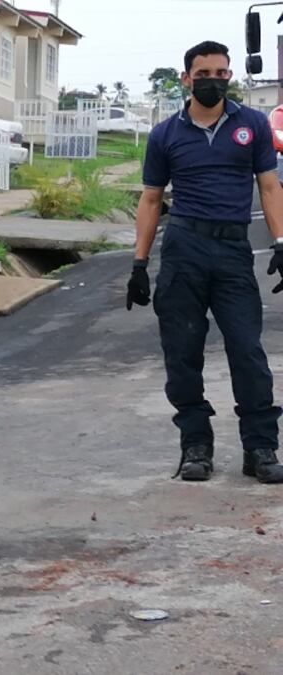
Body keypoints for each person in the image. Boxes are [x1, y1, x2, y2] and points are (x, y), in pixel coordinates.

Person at [127, 40, 283, 484]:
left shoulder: (251, 125)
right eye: (205, 73)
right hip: (184, 250)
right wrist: (139, 264)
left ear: (230, 77)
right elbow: (152, 198)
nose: (214, 81)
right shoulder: (165, 134)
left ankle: (261, 448)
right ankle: (196, 446)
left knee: (247, 351)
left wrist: (281, 242)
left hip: (233, 252)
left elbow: (270, 188)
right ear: (186, 78)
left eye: (222, 74)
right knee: (183, 352)